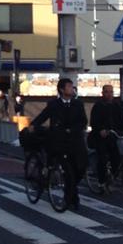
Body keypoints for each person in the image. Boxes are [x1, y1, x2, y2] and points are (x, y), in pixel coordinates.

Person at [31, 77, 89, 209]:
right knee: (68, 172)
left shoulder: (78, 104)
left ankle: (72, 194)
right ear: (62, 90)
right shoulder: (53, 104)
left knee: (81, 168)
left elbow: (83, 121)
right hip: (60, 142)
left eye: (72, 86)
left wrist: (73, 129)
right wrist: (33, 125)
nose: (71, 88)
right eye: (69, 86)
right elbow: (43, 116)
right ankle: (70, 198)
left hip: (76, 142)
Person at [88, 83, 123, 186]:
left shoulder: (116, 105)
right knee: (102, 158)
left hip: (114, 136)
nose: (109, 94)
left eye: (111, 92)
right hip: (100, 138)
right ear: (102, 93)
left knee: (117, 158)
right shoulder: (98, 106)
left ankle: (113, 176)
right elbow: (94, 122)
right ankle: (101, 181)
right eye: (107, 92)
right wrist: (100, 130)